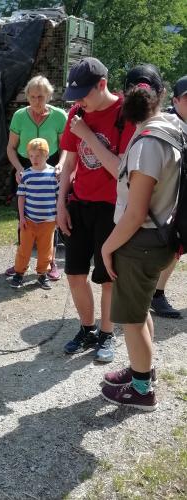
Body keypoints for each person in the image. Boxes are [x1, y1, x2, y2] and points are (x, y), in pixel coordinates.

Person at [100, 64, 184, 411]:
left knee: (131, 321)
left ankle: (141, 389)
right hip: (163, 236)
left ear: (124, 97)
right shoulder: (173, 128)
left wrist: (107, 247)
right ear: (162, 96)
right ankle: (142, 370)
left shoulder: (148, 142)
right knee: (141, 309)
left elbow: (135, 214)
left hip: (142, 243)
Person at [57, 57, 135, 363]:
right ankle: (87, 329)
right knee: (75, 274)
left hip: (112, 209)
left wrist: (88, 135)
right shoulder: (77, 113)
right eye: (74, 97)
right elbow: (70, 164)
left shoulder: (125, 115)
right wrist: (61, 202)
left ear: (102, 85)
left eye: (83, 95)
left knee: (107, 277)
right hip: (80, 204)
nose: (78, 103)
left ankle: (106, 333)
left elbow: (121, 171)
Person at [5, 75, 67, 281]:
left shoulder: (60, 116)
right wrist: (18, 168)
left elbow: (66, 147)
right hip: (25, 162)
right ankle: (19, 264)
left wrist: (61, 164)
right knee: (23, 214)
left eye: (40, 97)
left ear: (49, 95)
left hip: (52, 163)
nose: (36, 101)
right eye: (32, 97)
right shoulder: (19, 116)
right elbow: (11, 148)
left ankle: (51, 264)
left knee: (51, 212)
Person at [149, 74, 187, 318]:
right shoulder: (169, 125)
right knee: (175, 247)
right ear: (175, 100)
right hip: (175, 200)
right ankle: (156, 294)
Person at [9, 138, 58, 290]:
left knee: (45, 250)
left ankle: (42, 274)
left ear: (47, 155)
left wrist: (58, 217)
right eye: (31, 156)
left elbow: (58, 197)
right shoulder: (26, 175)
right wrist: (22, 217)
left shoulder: (54, 175)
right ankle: (19, 273)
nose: (34, 159)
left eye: (38, 156)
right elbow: (21, 197)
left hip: (48, 221)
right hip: (29, 221)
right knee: (24, 249)